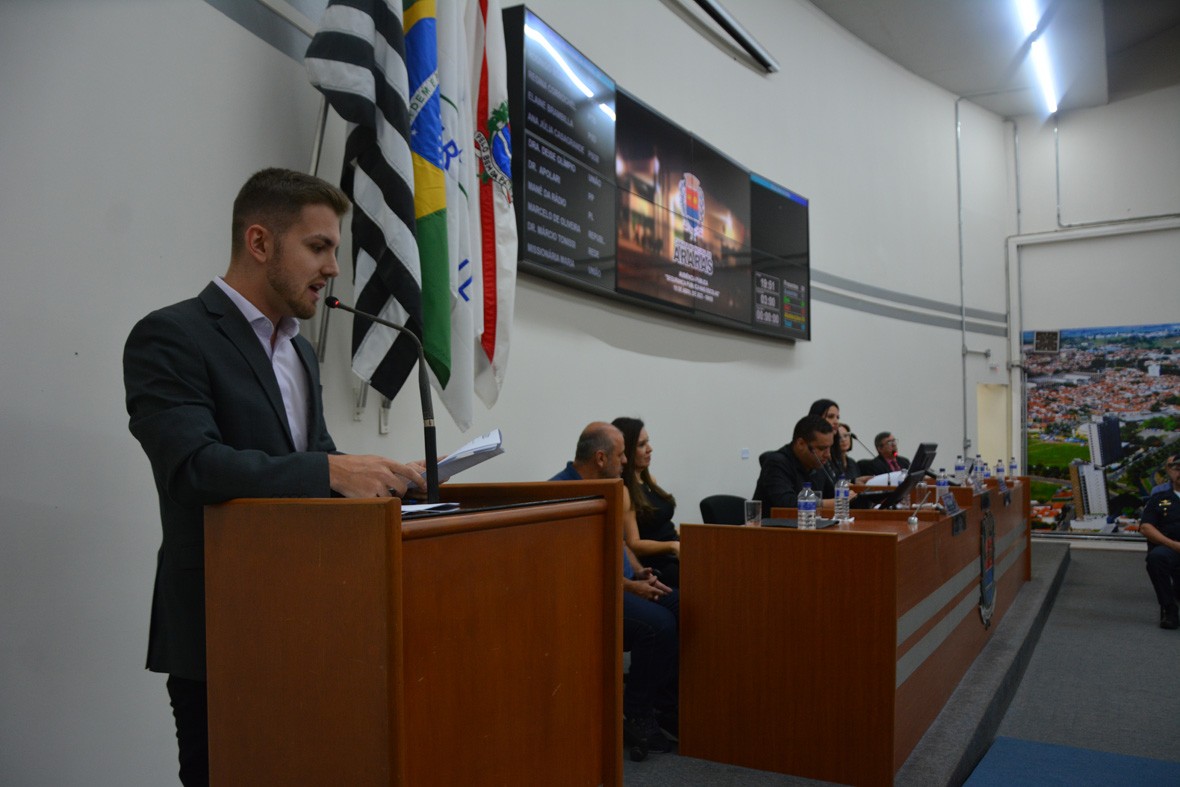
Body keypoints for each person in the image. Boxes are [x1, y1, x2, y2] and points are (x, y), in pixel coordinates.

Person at [123, 168, 426, 786]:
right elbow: (193, 467)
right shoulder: (172, 335)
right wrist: (331, 470)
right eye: (319, 247)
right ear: (259, 242)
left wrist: (383, 475)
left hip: (309, 617)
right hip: (222, 627)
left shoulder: (299, 350)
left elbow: (313, 459)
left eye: (334, 250)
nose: (334, 268)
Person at [550, 422, 679, 752]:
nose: (625, 461)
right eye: (621, 455)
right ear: (600, 458)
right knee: (658, 626)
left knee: (680, 605)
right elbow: (577, 571)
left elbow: (620, 543)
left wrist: (639, 573)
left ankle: (666, 704)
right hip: (592, 597)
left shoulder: (604, 487)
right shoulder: (561, 495)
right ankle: (636, 714)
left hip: (620, 586)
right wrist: (629, 587)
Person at [613, 417, 680, 587]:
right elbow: (633, 544)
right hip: (658, 564)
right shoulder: (624, 491)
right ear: (627, 451)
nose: (650, 449)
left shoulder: (650, 481)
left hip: (673, 552)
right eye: (642, 445)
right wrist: (672, 545)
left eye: (648, 442)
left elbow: (662, 527)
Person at [753, 415, 835, 512]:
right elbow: (787, 505)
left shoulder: (818, 463)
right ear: (801, 444)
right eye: (822, 448)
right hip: (773, 521)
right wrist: (828, 504)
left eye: (830, 447)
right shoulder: (776, 463)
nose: (828, 455)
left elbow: (832, 494)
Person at [1140, 454, 1180, 630]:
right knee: (1156, 558)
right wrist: (1173, 544)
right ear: (1169, 471)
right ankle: (1169, 609)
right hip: (1171, 548)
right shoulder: (1159, 498)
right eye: (1177, 468)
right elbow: (1146, 527)